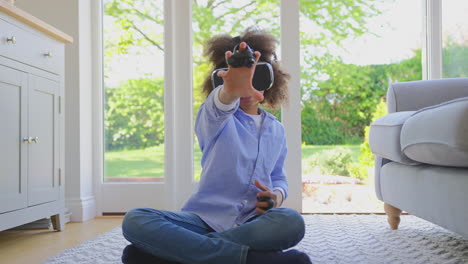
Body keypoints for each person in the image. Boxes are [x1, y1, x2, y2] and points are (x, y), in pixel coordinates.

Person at [121, 28, 311, 264]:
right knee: (136, 220)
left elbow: (278, 177)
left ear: (271, 79)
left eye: (256, 77)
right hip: (201, 221)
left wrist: (276, 196)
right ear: (221, 79)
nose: (247, 85)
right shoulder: (214, 118)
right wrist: (230, 90)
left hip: (253, 223)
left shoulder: (276, 130)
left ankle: (183, 255)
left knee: (291, 222)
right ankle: (250, 259)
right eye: (239, 79)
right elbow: (220, 104)